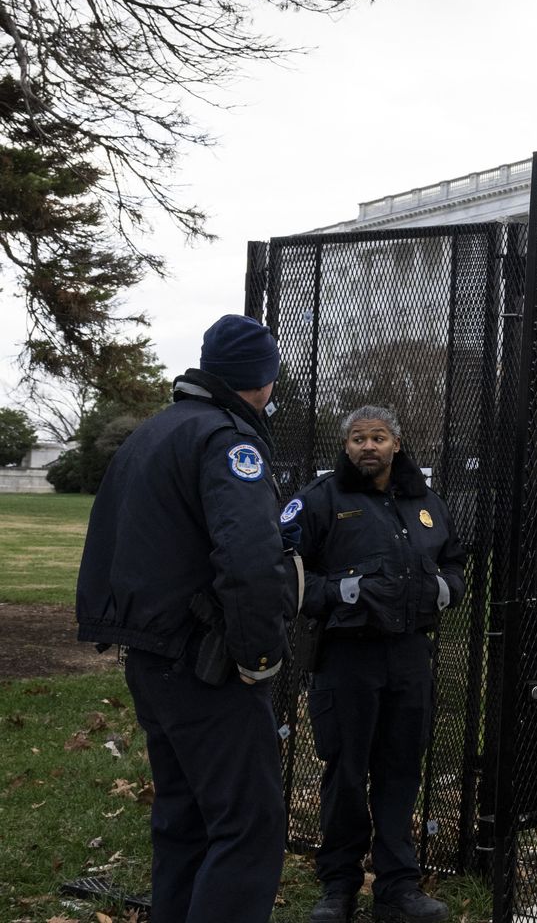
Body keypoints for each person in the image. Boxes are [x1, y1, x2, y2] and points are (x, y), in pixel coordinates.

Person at [75, 314, 295, 923]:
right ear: (263, 379)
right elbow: (251, 561)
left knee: (184, 819)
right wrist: (258, 655)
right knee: (248, 824)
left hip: (149, 651)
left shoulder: (152, 433)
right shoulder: (229, 441)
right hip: (206, 661)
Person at [282, 406, 466, 923]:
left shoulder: (426, 502)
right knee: (346, 773)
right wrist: (346, 592)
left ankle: (398, 887)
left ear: (397, 444)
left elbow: (456, 563)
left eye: (378, 438)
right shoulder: (319, 501)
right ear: (345, 448)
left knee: (401, 770)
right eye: (358, 439)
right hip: (346, 660)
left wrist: (442, 588)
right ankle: (337, 886)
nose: (369, 447)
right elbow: (287, 575)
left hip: (410, 657)